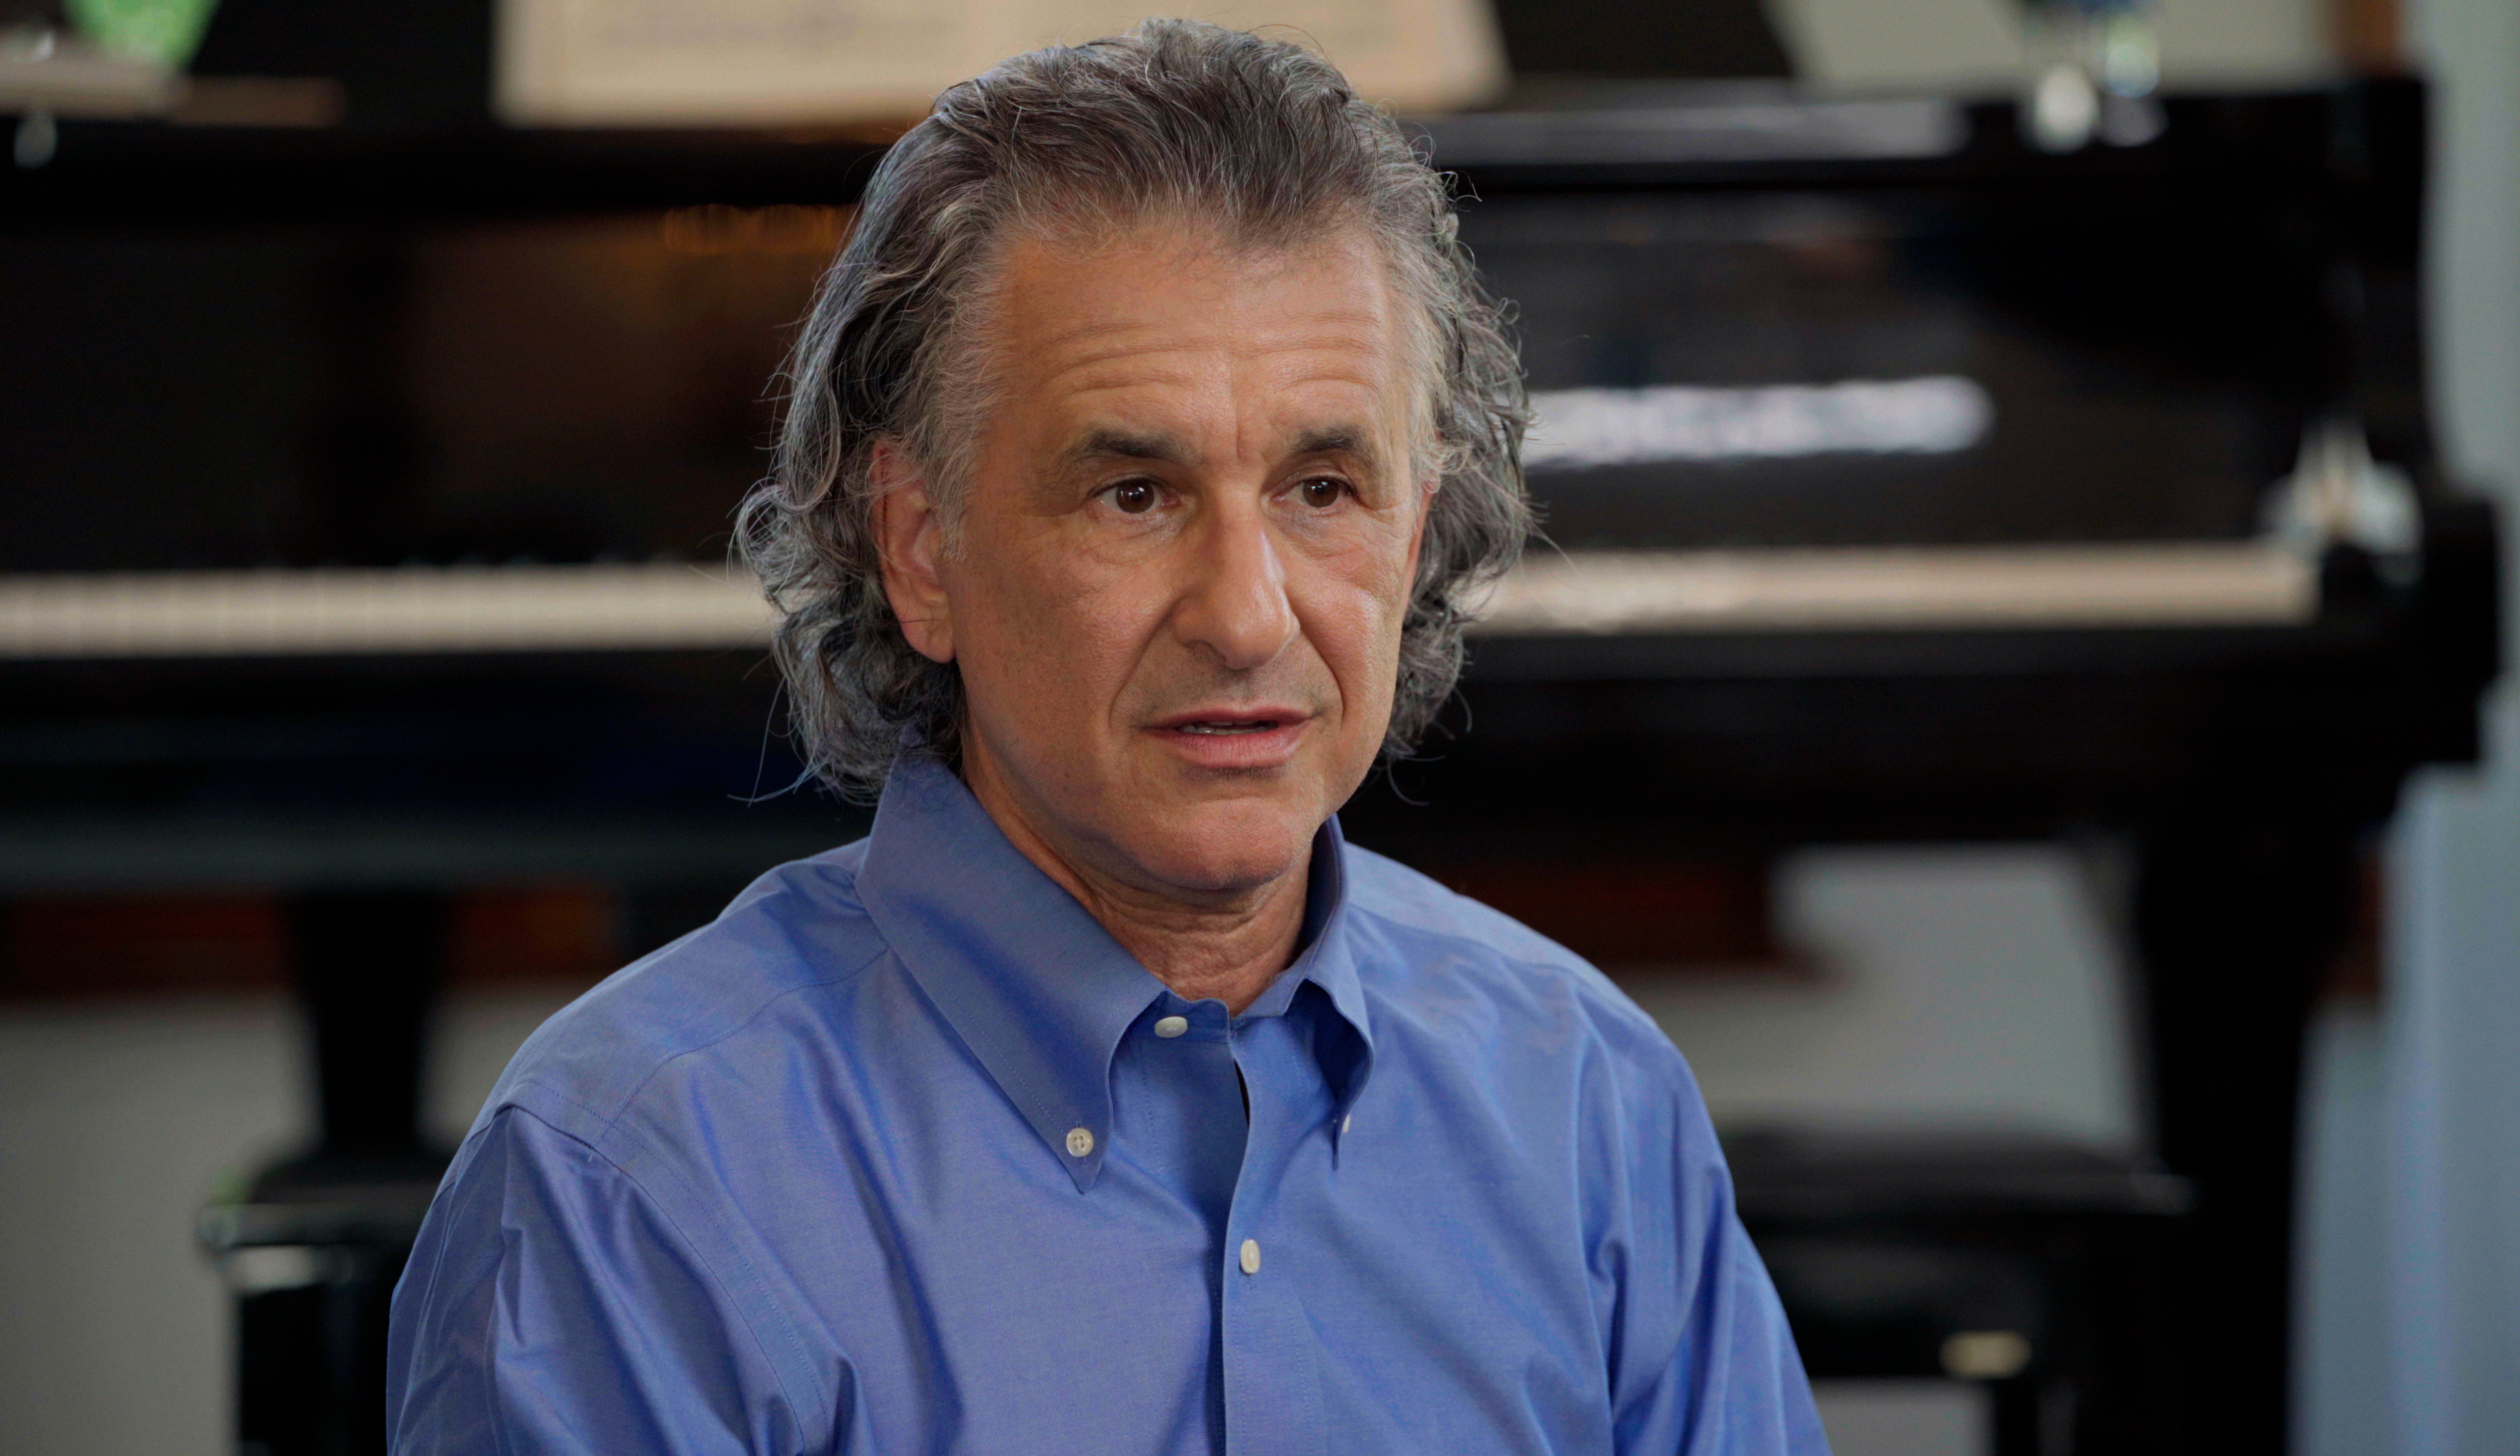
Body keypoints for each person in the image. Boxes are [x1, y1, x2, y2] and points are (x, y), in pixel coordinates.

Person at [386, 19, 1828, 1454]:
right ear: (919, 548)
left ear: (1417, 530)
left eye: (1324, 489)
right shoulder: (626, 1186)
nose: (1248, 618)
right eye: (1134, 495)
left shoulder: (1592, 1099)